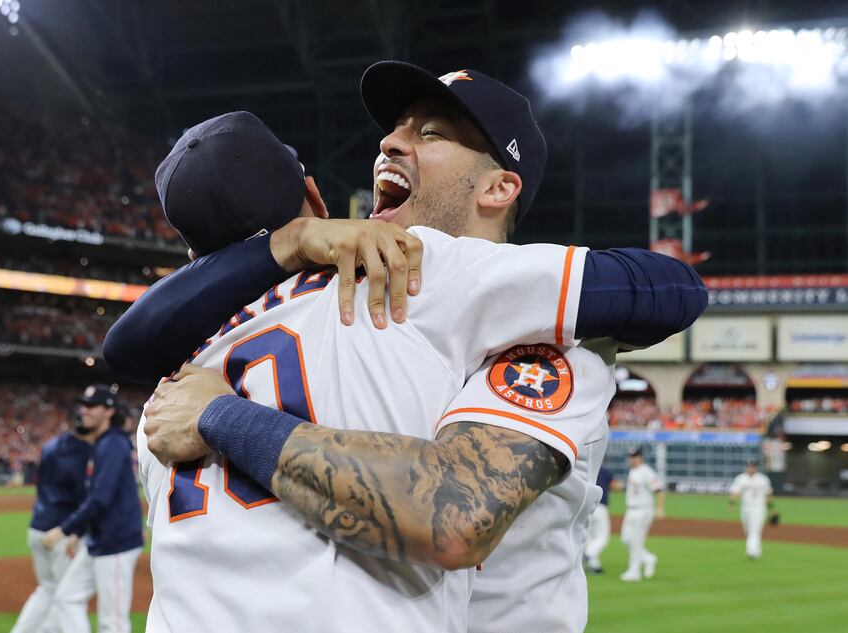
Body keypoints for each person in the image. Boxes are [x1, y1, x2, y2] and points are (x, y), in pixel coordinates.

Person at [132, 63, 707, 633]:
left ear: (498, 187)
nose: (388, 142)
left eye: (430, 133)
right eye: (394, 130)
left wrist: (221, 415)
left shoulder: (183, 369)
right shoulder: (372, 287)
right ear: (313, 197)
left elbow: (452, 512)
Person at [44, 384, 144, 633]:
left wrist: (65, 530)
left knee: (113, 622)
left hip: (117, 541)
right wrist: (80, 533)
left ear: (109, 411)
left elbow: (101, 498)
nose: (84, 410)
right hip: (99, 539)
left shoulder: (114, 443)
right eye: (83, 405)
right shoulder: (104, 443)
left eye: (91, 406)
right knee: (66, 598)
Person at [10, 411, 94, 633]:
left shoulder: (51, 446)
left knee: (47, 589)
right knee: (67, 596)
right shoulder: (85, 453)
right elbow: (83, 497)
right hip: (62, 530)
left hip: (37, 524)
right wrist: (77, 531)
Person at [618, 447, 664, 581]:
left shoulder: (647, 472)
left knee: (636, 541)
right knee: (626, 539)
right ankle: (648, 558)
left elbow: (659, 490)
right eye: (630, 457)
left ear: (640, 457)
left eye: (634, 457)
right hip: (631, 509)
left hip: (643, 509)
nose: (631, 459)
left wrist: (660, 509)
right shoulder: (633, 471)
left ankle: (634, 572)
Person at [729, 459, 774, 559]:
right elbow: (735, 492)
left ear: (756, 467)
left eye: (753, 466)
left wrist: (771, 510)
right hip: (745, 507)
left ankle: (751, 552)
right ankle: (757, 551)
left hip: (759, 507)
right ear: (746, 467)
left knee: (755, 530)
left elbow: (769, 494)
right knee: (747, 530)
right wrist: (732, 504)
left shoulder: (763, 479)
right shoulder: (741, 479)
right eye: (749, 466)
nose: (751, 468)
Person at [585, 465, 614, 573]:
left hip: (587, 507)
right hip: (600, 507)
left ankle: (594, 565)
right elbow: (613, 485)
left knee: (590, 537)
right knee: (602, 538)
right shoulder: (605, 470)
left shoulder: (587, 468)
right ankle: (588, 554)